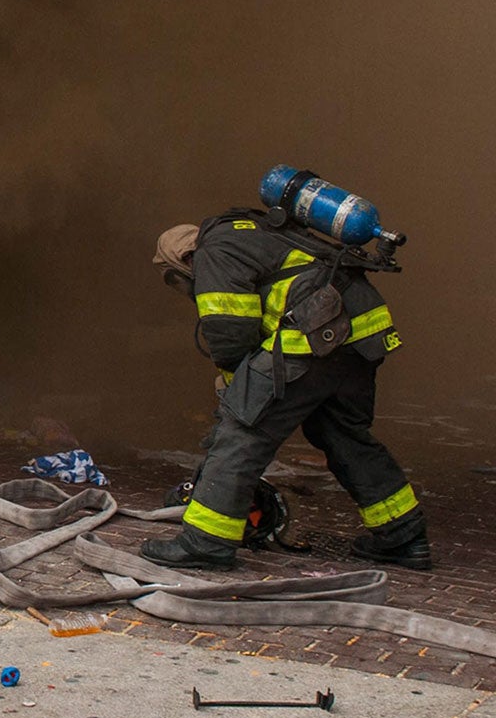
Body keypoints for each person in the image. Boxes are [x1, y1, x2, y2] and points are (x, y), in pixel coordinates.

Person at [141, 199, 428, 571]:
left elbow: (230, 334)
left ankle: (206, 542)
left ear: (182, 264)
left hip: (313, 335)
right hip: (360, 333)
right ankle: (403, 537)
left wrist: (235, 398)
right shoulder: (255, 233)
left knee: (242, 434)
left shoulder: (211, 253)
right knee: (345, 436)